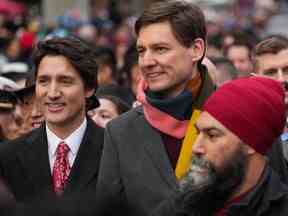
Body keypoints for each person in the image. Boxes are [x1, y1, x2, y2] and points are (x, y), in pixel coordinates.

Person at [96, 1, 215, 215]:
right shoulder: (120, 131)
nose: (146, 61)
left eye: (160, 49)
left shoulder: (236, 119)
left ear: (196, 49)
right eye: (142, 51)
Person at [152, 76, 288, 216]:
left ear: (251, 144)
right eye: (198, 132)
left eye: (212, 135)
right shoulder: (183, 201)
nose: (196, 147)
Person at [0, 36, 104, 202]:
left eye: (65, 81)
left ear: (89, 88)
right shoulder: (8, 156)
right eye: (44, 81)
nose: (53, 93)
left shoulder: (115, 150)